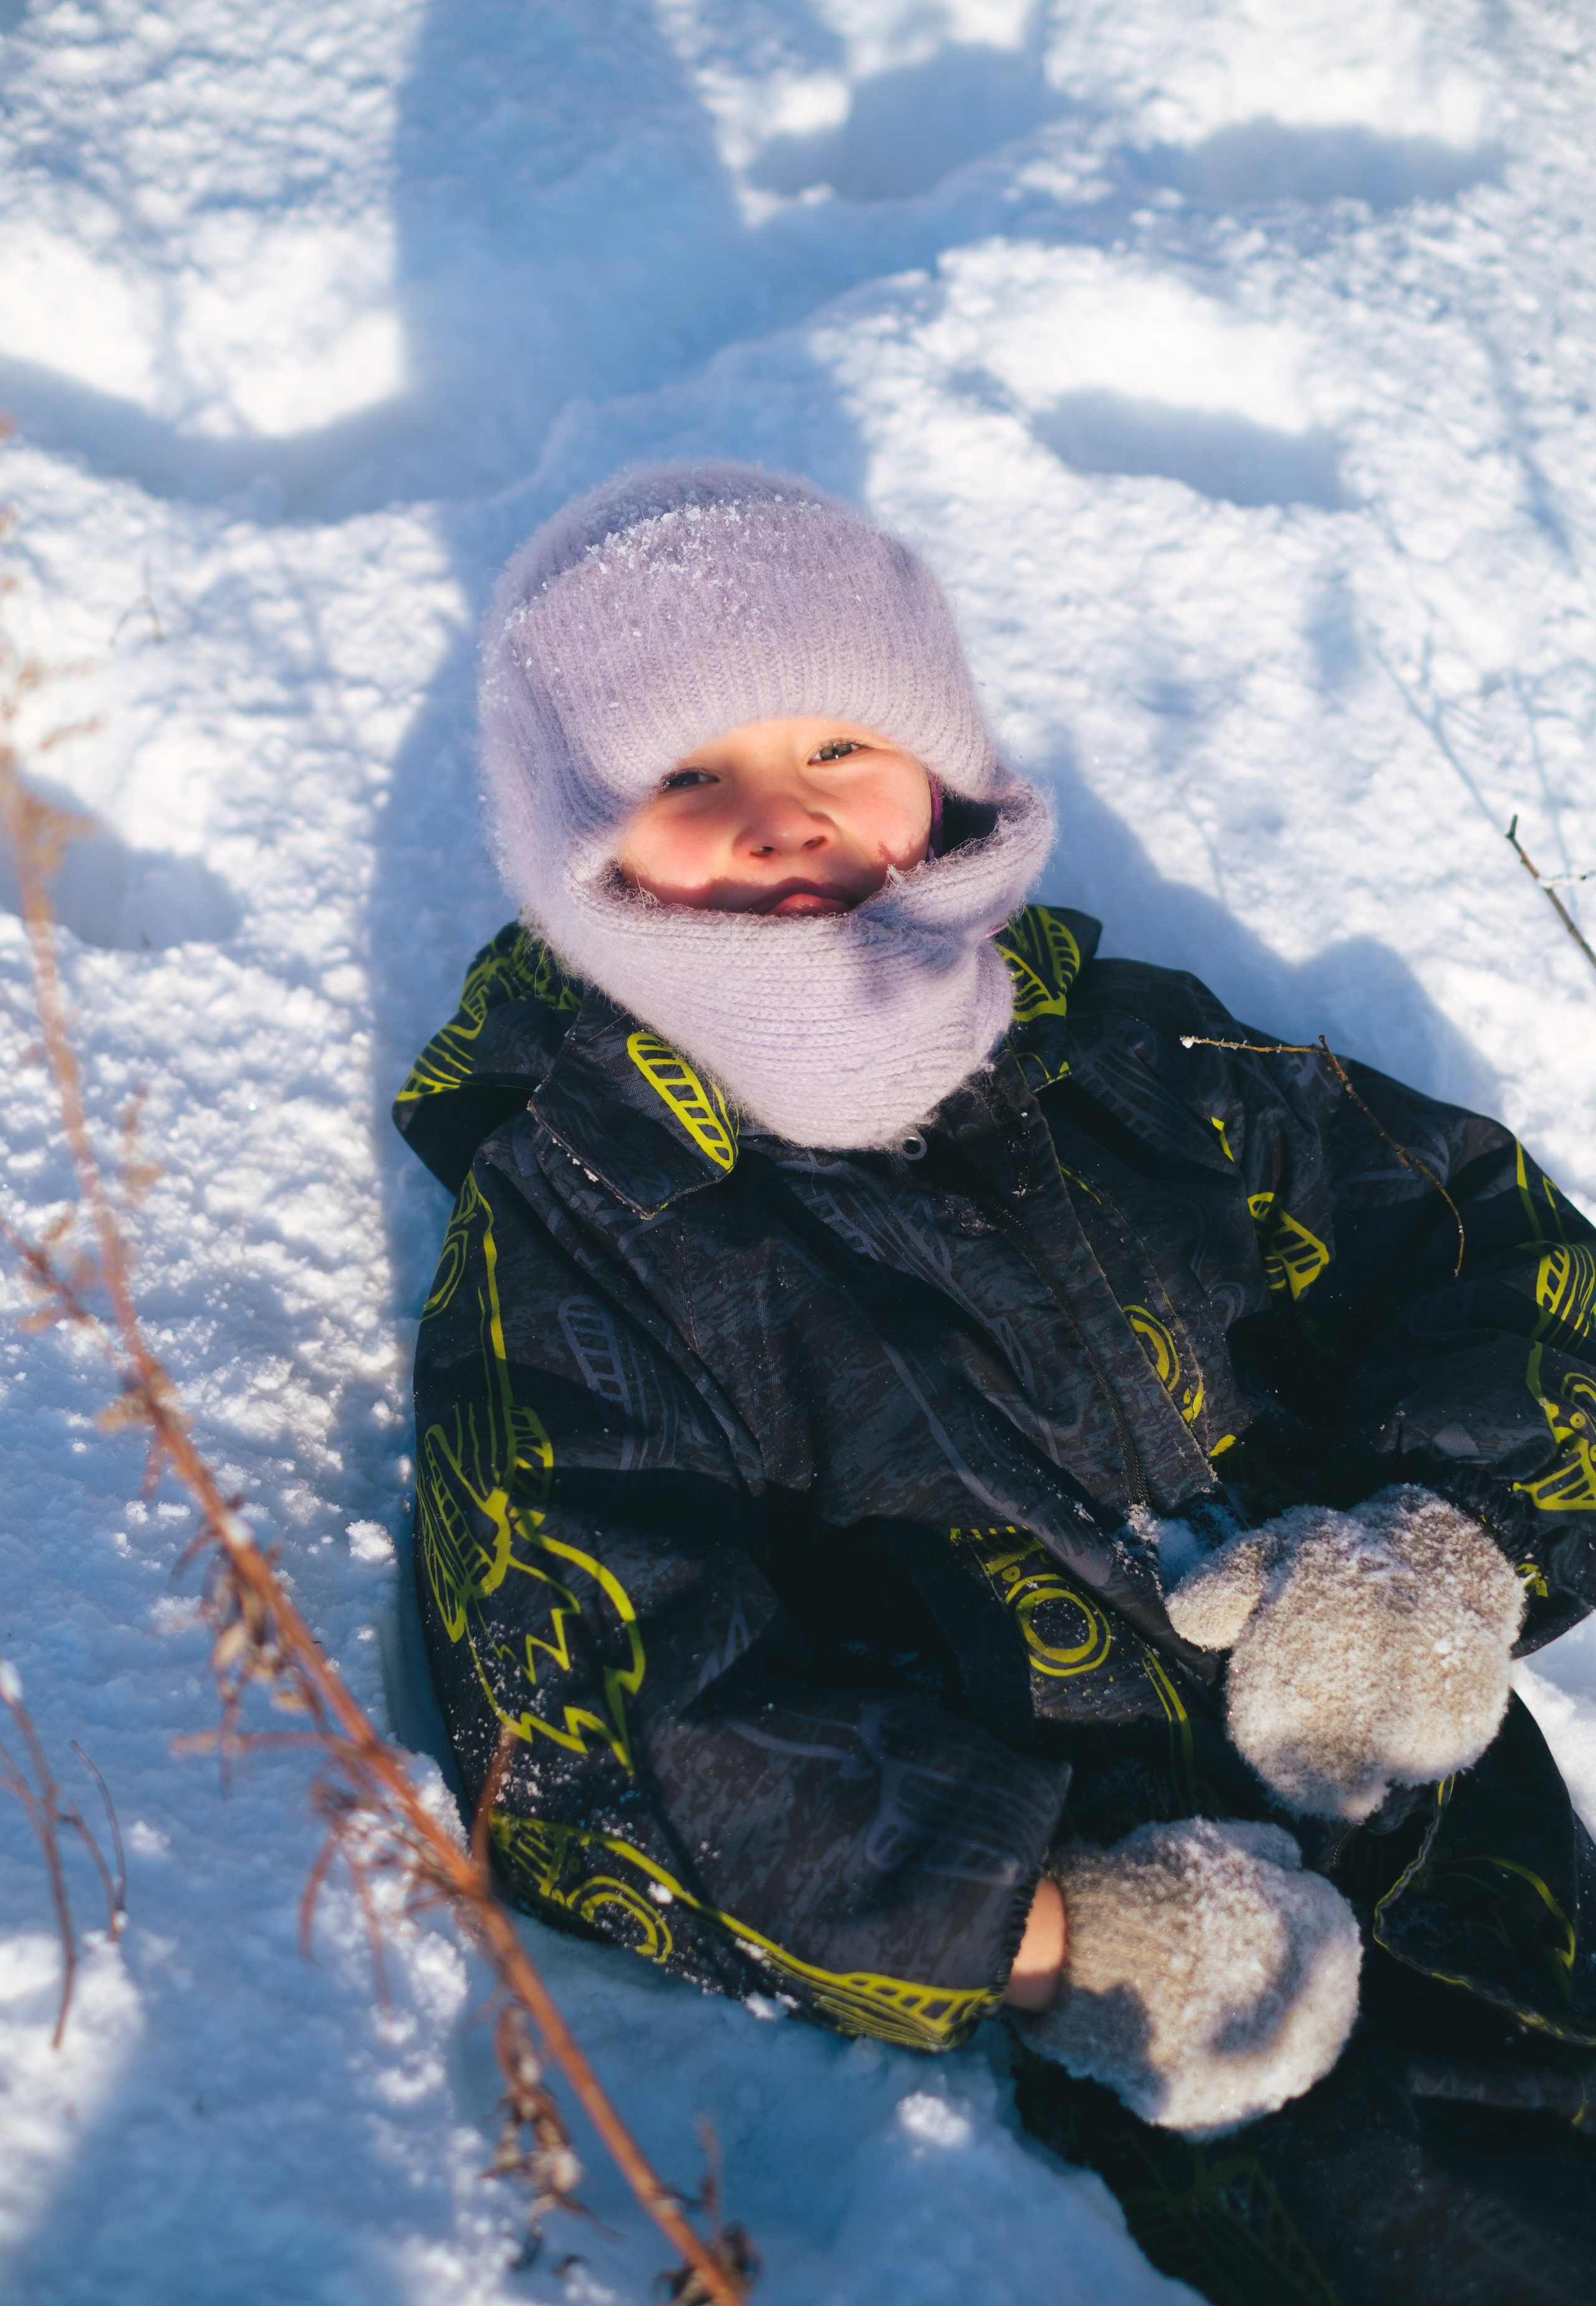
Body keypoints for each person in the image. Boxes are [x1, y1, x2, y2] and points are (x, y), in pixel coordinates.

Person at [394, 464, 1596, 2304]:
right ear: (582, 841)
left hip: (1455, 1829)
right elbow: (592, 1717)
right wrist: (1038, 1926)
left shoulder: (1133, 1057)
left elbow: (1491, 1251)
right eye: (691, 778)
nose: (784, 821)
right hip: (1158, 1991)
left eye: (839, 745)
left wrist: (1450, 1544)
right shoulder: (589, 1222)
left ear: (938, 760)